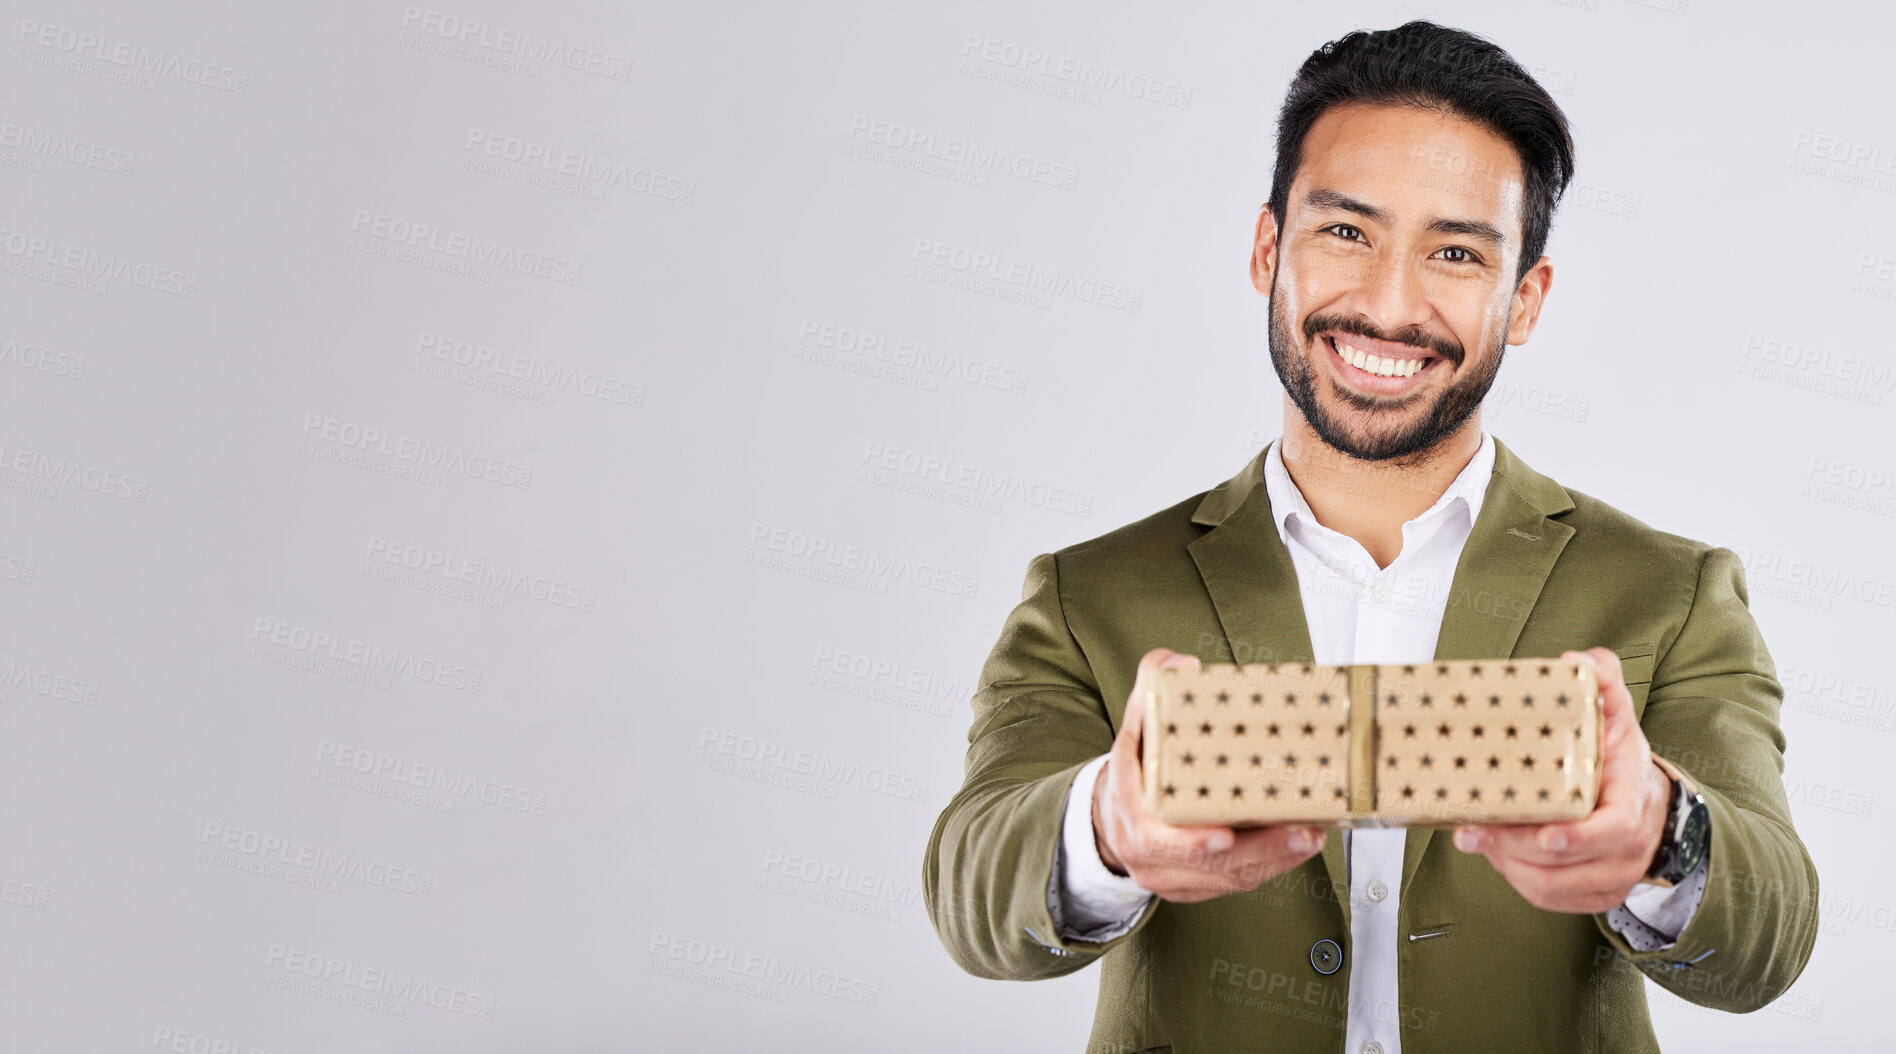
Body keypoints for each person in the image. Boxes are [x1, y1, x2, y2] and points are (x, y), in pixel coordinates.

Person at [922, 20, 1818, 1054]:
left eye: (1454, 252)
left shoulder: (1672, 592)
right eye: (1346, 232)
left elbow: (1773, 936)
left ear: (1522, 299)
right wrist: (1108, 828)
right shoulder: (1089, 595)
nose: (1391, 305)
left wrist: (1664, 832)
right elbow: (969, 892)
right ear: (1268, 248)